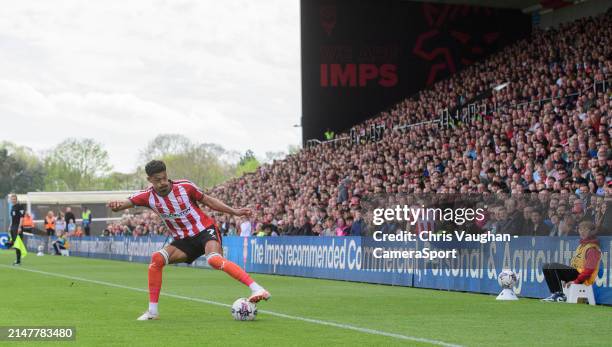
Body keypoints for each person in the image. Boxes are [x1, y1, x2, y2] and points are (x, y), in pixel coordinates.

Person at [107, 160, 270, 321]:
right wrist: (116, 206)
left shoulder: (185, 187)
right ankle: (152, 312)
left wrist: (234, 211)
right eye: (158, 180)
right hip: (183, 241)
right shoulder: (147, 196)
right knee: (157, 259)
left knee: (214, 259)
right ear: (150, 180)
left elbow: (209, 201)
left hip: (205, 231)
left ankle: (257, 289)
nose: (163, 183)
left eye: (164, 178)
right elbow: (125, 203)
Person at [541, 221, 601, 302]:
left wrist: (576, 281)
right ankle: (554, 294)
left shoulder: (592, 249)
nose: (582, 232)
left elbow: (589, 270)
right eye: (580, 229)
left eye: (585, 229)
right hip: (576, 273)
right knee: (546, 266)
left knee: (553, 266)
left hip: (583, 278)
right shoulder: (582, 245)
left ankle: (560, 295)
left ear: (591, 232)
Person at [8, 194, 25, 265]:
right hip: (13, 227)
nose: (13, 200)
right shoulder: (12, 207)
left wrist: (20, 227)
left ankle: (18, 261)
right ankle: (17, 259)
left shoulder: (20, 206)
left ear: (16, 200)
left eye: (14, 199)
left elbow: (21, 217)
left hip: (17, 227)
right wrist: (10, 226)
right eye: (12, 199)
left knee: (18, 244)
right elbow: (12, 218)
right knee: (15, 244)